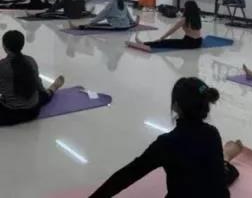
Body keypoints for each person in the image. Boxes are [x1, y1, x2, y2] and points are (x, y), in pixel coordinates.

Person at [89, 77, 241, 197]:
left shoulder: (167, 143)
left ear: (175, 106)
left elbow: (129, 174)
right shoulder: (212, 134)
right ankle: (227, 156)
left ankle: (227, 156)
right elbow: (216, 182)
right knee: (213, 175)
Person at [127, 1, 202, 52]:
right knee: (171, 42)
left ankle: (144, 44)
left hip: (189, 43)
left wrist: (161, 38)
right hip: (198, 42)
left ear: (187, 9)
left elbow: (173, 30)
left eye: (185, 8)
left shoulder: (184, 19)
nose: (184, 9)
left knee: (166, 42)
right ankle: (145, 43)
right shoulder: (197, 17)